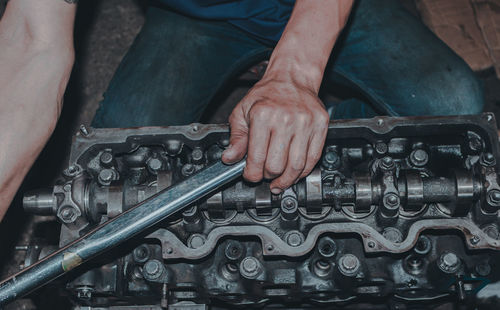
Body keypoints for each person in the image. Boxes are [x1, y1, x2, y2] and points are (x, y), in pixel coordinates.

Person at [0, 0, 483, 221]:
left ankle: (326, 128)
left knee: (455, 108)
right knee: (117, 179)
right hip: (194, 15)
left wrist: (294, 73)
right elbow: (32, 40)